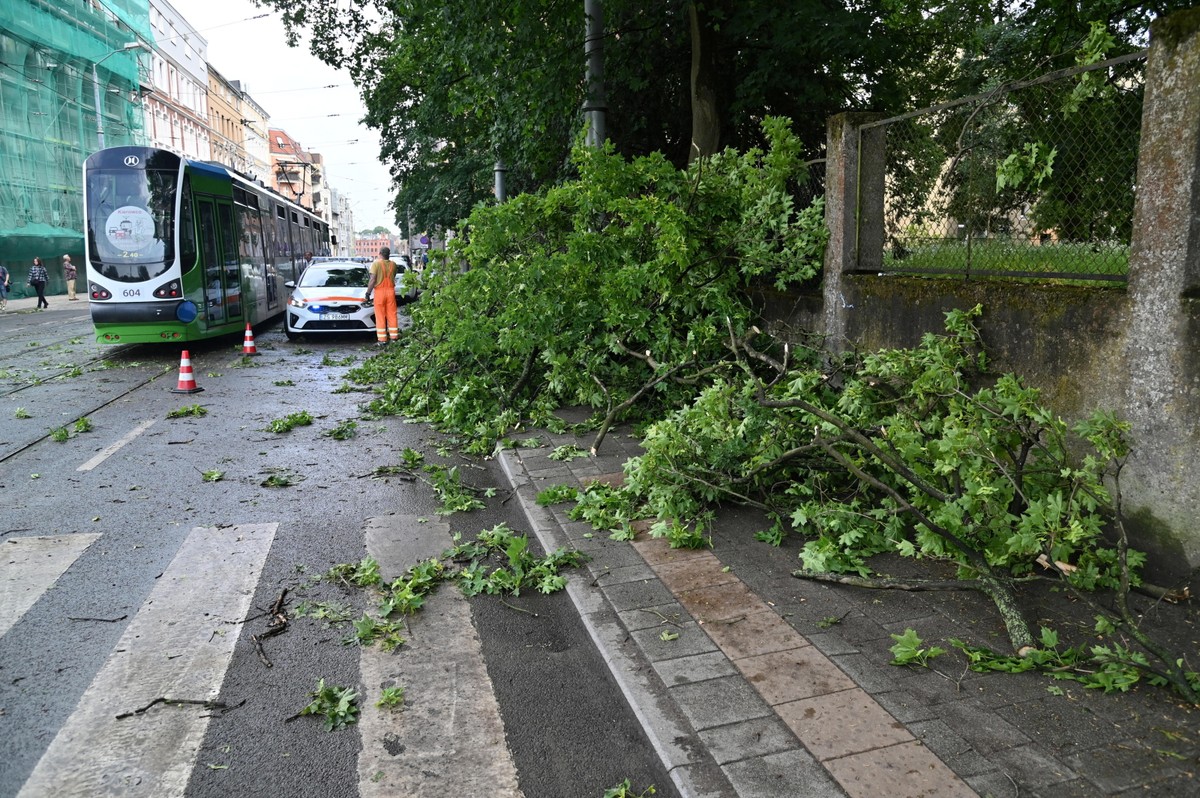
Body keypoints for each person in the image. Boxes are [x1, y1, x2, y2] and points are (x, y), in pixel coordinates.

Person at [365, 246, 400, 345]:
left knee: (380, 315)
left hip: (380, 292)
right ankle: (394, 337)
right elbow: (393, 276)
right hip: (390, 292)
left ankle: (382, 339)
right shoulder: (393, 264)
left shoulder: (376, 264)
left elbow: (372, 280)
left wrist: (368, 293)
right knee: (392, 314)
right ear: (389, 254)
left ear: (380, 253)